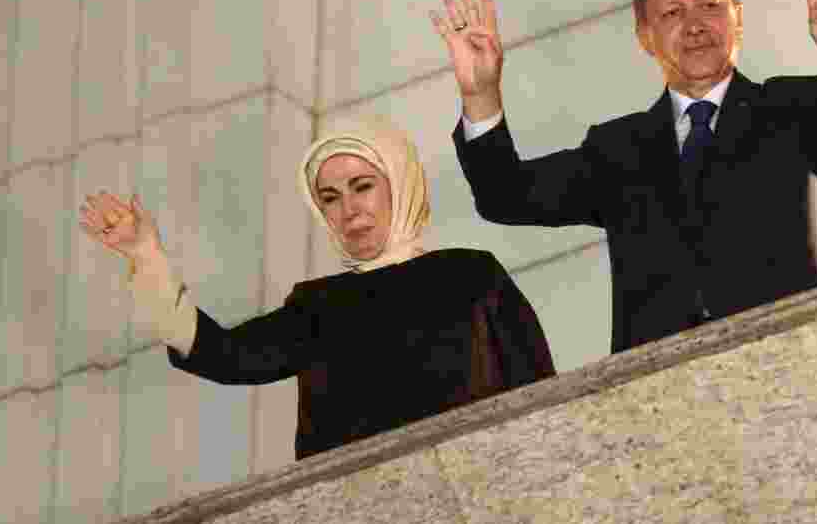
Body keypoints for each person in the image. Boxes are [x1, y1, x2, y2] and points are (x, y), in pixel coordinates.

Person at [429, 0, 817, 354]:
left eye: (710, 5)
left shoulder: (793, 106)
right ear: (645, 36)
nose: (695, 25)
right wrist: (481, 94)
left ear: (738, 17)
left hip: (791, 363)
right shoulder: (617, 150)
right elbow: (505, 195)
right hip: (657, 396)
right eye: (672, 13)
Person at [78, 117, 555, 461]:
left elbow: (541, 401)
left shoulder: (471, 274)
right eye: (330, 197)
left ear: (401, 183)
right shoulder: (318, 306)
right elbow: (222, 354)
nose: (349, 209)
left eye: (362, 186)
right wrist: (146, 256)